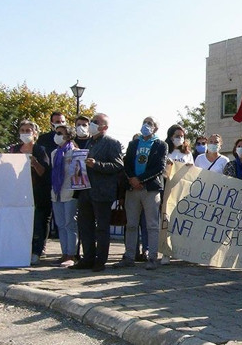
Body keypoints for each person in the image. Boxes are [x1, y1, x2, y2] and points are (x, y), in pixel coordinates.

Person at [71, 113, 124, 272]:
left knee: (101, 228)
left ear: (104, 127)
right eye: (91, 121)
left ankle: (100, 261)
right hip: (86, 190)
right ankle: (87, 258)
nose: (91, 124)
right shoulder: (89, 142)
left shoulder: (112, 143)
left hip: (102, 192)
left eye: (95, 122)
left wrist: (97, 165)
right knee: (85, 225)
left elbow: (118, 165)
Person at [115, 116, 167, 270]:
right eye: (144, 123)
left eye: (150, 124)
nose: (146, 126)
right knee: (131, 224)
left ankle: (152, 258)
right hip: (132, 188)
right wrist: (132, 179)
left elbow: (159, 167)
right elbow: (127, 163)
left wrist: (141, 180)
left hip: (150, 189)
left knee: (152, 225)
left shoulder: (160, 145)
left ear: (155, 128)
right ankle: (129, 256)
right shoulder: (134, 143)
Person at [8, 120, 51, 265]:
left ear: (35, 134)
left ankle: (36, 251)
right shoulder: (13, 150)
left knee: (38, 223)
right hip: (18, 194)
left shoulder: (40, 150)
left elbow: (43, 172)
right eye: (23, 130)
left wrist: (34, 162)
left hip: (37, 194)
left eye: (28, 131)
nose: (25, 133)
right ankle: (20, 250)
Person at [50, 125, 79, 267]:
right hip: (56, 193)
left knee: (70, 224)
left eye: (60, 133)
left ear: (68, 136)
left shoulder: (75, 153)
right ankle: (63, 252)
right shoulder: (54, 153)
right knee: (60, 225)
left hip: (70, 192)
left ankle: (71, 254)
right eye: (57, 133)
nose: (57, 135)